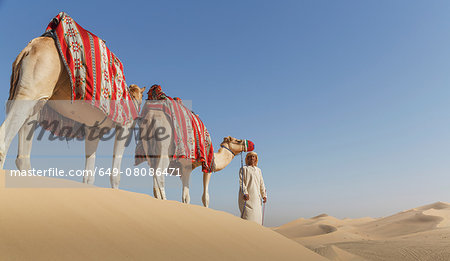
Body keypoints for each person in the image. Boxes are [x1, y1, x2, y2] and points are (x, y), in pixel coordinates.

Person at [239, 151, 267, 224]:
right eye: (250, 156)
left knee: (257, 216)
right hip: (247, 198)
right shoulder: (244, 168)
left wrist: (264, 195)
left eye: (253, 156)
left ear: (256, 159)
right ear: (247, 158)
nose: (252, 158)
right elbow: (242, 182)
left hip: (257, 198)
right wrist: (245, 193)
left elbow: (262, 183)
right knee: (247, 217)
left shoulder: (258, 170)